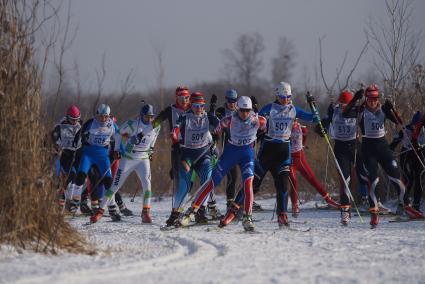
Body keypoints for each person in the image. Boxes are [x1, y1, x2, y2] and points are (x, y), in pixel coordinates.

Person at [178, 96, 266, 231]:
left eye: (247, 110)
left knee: (248, 183)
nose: (245, 114)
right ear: (237, 108)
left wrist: (261, 134)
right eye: (242, 110)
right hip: (230, 154)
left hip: (246, 155)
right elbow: (217, 128)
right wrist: (215, 136)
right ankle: (192, 211)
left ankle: (247, 217)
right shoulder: (229, 120)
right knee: (212, 182)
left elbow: (265, 127)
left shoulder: (257, 119)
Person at [343, 84, 422, 228]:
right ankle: (374, 213)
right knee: (373, 180)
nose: (372, 101)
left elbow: (399, 122)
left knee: (397, 176)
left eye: (375, 98)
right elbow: (345, 113)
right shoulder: (361, 110)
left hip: (383, 146)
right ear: (366, 98)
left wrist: (392, 109)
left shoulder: (383, 109)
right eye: (370, 98)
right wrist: (355, 99)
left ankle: (408, 207)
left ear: (378, 98)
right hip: (368, 148)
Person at [96, 104, 161, 223]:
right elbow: (118, 134)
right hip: (129, 158)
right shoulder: (132, 124)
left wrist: (151, 150)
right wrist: (116, 150)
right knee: (115, 186)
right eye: (147, 117)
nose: (150, 119)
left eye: (152, 117)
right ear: (141, 116)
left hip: (143, 159)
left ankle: (145, 213)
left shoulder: (156, 126)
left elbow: (154, 139)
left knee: (147, 184)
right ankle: (100, 211)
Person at [165, 92, 220, 226]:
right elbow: (176, 128)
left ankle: (201, 210)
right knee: (184, 187)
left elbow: (221, 124)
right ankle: (175, 214)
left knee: (207, 181)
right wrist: (175, 134)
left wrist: (219, 131)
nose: (199, 109)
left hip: (204, 156)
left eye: (201, 106)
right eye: (195, 106)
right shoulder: (185, 116)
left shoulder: (208, 117)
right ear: (191, 105)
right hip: (187, 157)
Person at [321, 90, 368, 225]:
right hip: (340, 147)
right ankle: (345, 212)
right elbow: (325, 122)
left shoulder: (356, 110)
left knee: (363, 174)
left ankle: (368, 200)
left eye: (345, 104)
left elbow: (364, 126)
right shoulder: (334, 109)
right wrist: (323, 127)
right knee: (345, 178)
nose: (343, 107)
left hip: (354, 145)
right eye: (341, 104)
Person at [71, 104, 120, 223]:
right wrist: (76, 142)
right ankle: (75, 202)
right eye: (101, 116)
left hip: (102, 154)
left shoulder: (112, 125)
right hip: (88, 153)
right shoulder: (91, 122)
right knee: (81, 176)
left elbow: (118, 138)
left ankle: (112, 207)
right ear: (97, 115)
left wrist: (117, 151)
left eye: (105, 116)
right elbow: (79, 133)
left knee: (108, 181)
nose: (103, 119)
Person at [289, 119, 340, 218]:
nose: (293, 122)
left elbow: (303, 142)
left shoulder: (302, 129)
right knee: (293, 182)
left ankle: (328, 199)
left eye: (294, 120)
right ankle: (294, 205)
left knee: (312, 179)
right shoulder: (284, 129)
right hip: (289, 160)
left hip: (299, 159)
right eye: (291, 120)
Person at [153, 86, 191, 209]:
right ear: (177, 98)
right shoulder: (171, 110)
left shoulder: (194, 108)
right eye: (181, 98)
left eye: (186, 97)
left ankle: (200, 208)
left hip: (193, 148)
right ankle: (177, 209)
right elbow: (156, 122)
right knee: (178, 178)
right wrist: (148, 124)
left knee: (192, 178)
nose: (184, 100)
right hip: (177, 147)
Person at [51, 105, 82, 212]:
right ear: (67, 117)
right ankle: (59, 201)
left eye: (76, 119)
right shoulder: (60, 126)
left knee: (74, 176)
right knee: (60, 178)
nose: (74, 122)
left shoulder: (81, 125)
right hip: (63, 154)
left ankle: (71, 202)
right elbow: (51, 139)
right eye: (72, 119)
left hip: (75, 154)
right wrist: (55, 145)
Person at [215, 89, 239, 209]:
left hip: (242, 148)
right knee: (232, 176)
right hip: (228, 149)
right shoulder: (221, 111)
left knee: (247, 176)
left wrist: (254, 108)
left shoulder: (241, 111)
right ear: (226, 100)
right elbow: (214, 121)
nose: (232, 103)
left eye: (234, 100)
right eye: (229, 100)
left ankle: (242, 202)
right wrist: (212, 108)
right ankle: (230, 203)